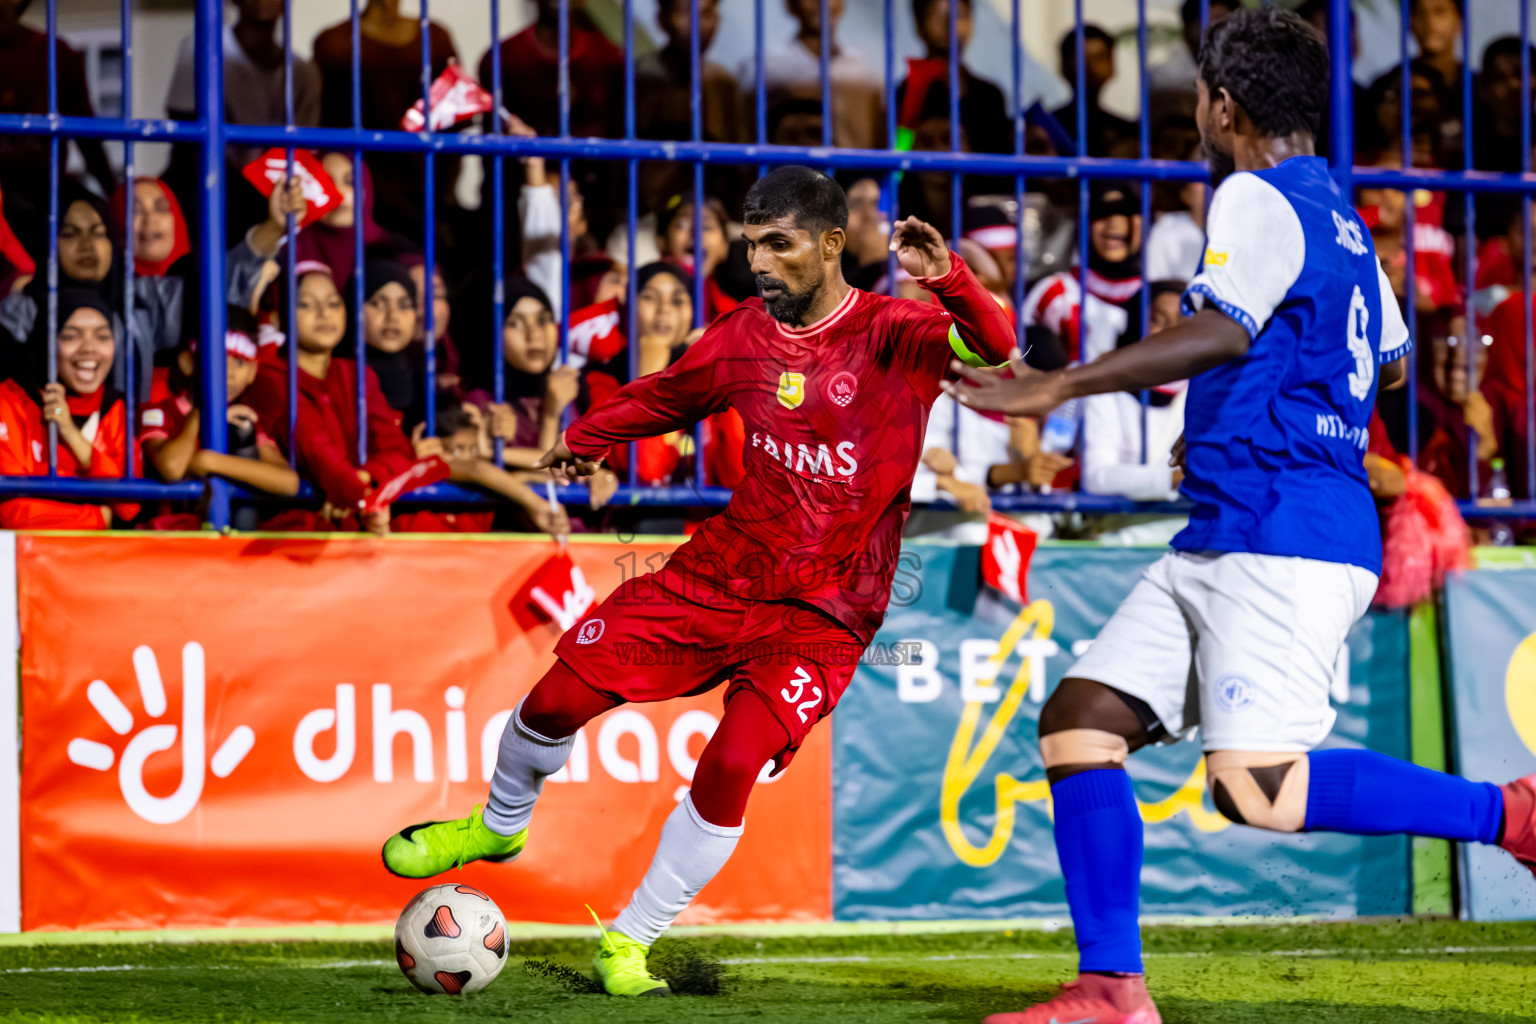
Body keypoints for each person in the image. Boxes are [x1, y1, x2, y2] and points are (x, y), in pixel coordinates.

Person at [944, 12, 1536, 1022]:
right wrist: (1238, 420)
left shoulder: (1254, 196)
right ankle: (1112, 990)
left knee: (1255, 787)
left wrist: (1060, 386)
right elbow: (1385, 358)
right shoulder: (1344, 218)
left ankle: (1512, 814)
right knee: (1081, 721)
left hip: (1283, 530)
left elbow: (1222, 330)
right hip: (1242, 516)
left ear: (1223, 107)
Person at [379, 165, 1014, 995]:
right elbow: (673, 394)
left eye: (778, 245)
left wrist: (950, 279)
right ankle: (499, 827)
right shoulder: (744, 331)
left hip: (827, 608)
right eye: (752, 246)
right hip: (721, 572)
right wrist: (591, 435)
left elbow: (999, 351)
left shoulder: (897, 332)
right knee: (555, 701)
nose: (760, 262)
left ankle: (630, 941)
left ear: (830, 245)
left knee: (733, 759)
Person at [243, 263, 409, 536]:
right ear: (278, 317)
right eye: (306, 305)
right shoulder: (270, 377)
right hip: (294, 531)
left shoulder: (359, 375)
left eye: (333, 304)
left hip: (358, 519)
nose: (324, 314)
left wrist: (366, 481)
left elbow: (397, 448)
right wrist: (355, 491)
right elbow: (313, 446)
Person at [312, 0, 459, 241]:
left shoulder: (435, 39)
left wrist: (443, 198)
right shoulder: (335, 44)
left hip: (428, 191)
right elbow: (328, 132)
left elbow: (454, 123)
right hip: (364, 192)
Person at [0, 289, 131, 529]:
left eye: (103, 336)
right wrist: (98, 517)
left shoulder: (116, 405)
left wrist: (68, 430)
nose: (89, 348)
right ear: (46, 342)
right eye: (71, 336)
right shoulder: (10, 399)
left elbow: (129, 506)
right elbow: (10, 511)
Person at [138, 308, 301, 500]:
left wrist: (209, 461)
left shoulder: (240, 417)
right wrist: (201, 416)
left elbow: (289, 483)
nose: (229, 372)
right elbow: (172, 468)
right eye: (218, 359)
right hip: (171, 529)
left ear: (252, 371)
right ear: (188, 362)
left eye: (240, 362)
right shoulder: (159, 412)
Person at [743, 0, 884, 151]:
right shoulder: (764, 70)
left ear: (842, 4)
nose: (820, 2)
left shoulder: (869, 73)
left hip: (858, 173)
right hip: (789, 172)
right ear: (790, 5)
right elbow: (747, 142)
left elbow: (883, 143)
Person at [895, 0, 1011, 158]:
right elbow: (899, 158)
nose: (951, 24)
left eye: (959, 15)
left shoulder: (990, 95)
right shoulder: (909, 91)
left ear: (971, 23)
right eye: (939, 16)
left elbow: (999, 164)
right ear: (919, 26)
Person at [1051, 24, 1137, 158]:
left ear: (1111, 66)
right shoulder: (1044, 129)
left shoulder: (1129, 134)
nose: (1090, 67)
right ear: (1064, 65)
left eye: (1098, 58)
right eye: (1080, 59)